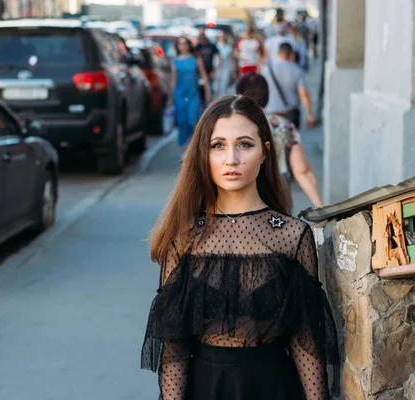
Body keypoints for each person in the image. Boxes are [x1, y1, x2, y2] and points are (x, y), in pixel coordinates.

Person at [141, 95, 339, 399]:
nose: (231, 158)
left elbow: (306, 343)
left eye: (244, 144)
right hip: (206, 389)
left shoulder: (292, 235)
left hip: (275, 389)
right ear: (203, 155)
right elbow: (173, 352)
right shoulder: (184, 238)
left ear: (265, 152)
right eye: (217, 145)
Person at [236, 72, 323, 208]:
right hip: (279, 194)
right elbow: (302, 170)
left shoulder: (230, 127)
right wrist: (320, 206)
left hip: (242, 196)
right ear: (266, 96)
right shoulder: (285, 126)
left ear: (239, 96)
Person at [167, 36, 210, 149]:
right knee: (182, 122)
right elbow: (173, 80)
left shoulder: (195, 58)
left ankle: (193, 147)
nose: (183, 46)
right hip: (179, 95)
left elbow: (204, 76)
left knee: (193, 120)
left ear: (189, 45)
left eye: (185, 43)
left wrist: (207, 91)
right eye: (180, 43)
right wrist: (170, 98)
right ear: (177, 46)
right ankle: (184, 149)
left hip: (193, 94)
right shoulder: (175, 61)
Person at [262, 43, 314, 130]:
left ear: (278, 54)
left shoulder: (266, 70)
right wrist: (310, 115)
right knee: (292, 142)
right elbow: (303, 93)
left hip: (271, 113)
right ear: (292, 54)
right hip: (291, 114)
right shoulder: (297, 70)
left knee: (273, 141)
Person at [212, 34, 234, 99]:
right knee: (215, 86)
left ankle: (221, 100)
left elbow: (231, 60)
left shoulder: (228, 47)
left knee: (223, 85)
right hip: (216, 68)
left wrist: (233, 70)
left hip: (226, 68)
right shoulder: (215, 46)